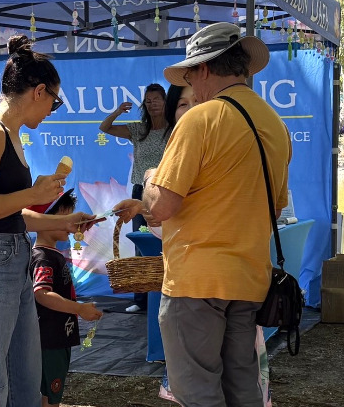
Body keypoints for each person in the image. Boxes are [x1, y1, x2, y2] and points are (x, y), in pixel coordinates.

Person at [115, 22, 291, 407]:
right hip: (249, 278)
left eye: (191, 75)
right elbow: (276, 207)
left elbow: (162, 206)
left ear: (205, 68)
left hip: (196, 280)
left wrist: (150, 178)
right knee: (243, 388)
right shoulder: (276, 125)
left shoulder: (200, 119)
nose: (191, 87)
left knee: (197, 392)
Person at [0, 34, 94, 407]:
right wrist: (33, 194)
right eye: (54, 102)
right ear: (39, 91)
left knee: (24, 382)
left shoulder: (9, 133)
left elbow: (8, 213)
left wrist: (60, 221)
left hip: (8, 261)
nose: (52, 111)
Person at [99, 82, 167, 312]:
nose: (152, 104)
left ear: (165, 102)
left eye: (156, 99)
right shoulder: (139, 130)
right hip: (141, 192)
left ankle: (166, 293)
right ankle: (141, 300)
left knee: (167, 241)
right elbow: (104, 127)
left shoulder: (174, 129)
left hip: (167, 191)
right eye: (148, 100)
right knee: (142, 240)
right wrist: (118, 111)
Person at [31, 190, 103, 407]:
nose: (69, 224)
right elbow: (41, 293)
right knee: (48, 396)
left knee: (52, 394)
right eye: (64, 218)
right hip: (49, 341)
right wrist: (79, 309)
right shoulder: (43, 257)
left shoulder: (53, 254)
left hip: (58, 338)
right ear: (44, 220)